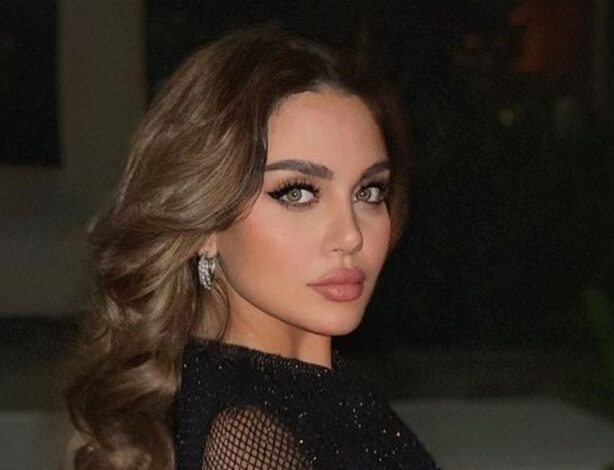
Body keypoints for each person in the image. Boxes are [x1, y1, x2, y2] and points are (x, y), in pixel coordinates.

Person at [65, 26, 438, 470]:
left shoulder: (316, 395)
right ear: (205, 225)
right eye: (297, 193)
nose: (351, 235)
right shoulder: (246, 437)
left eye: (369, 192)